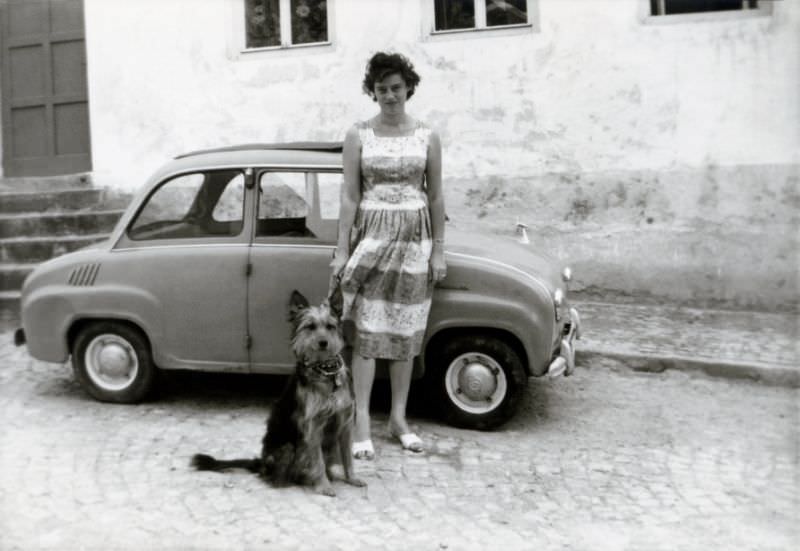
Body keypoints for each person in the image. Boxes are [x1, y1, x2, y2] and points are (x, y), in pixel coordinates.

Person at [330, 52, 447, 459]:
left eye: (396, 88)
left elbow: (435, 195)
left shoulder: (427, 136)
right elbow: (349, 195)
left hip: (415, 238)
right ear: (373, 92)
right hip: (371, 238)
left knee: (403, 332)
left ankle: (398, 418)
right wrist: (342, 247)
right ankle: (361, 419)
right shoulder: (358, 135)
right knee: (366, 330)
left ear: (408, 88)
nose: (390, 95)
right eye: (382, 89)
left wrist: (438, 252)